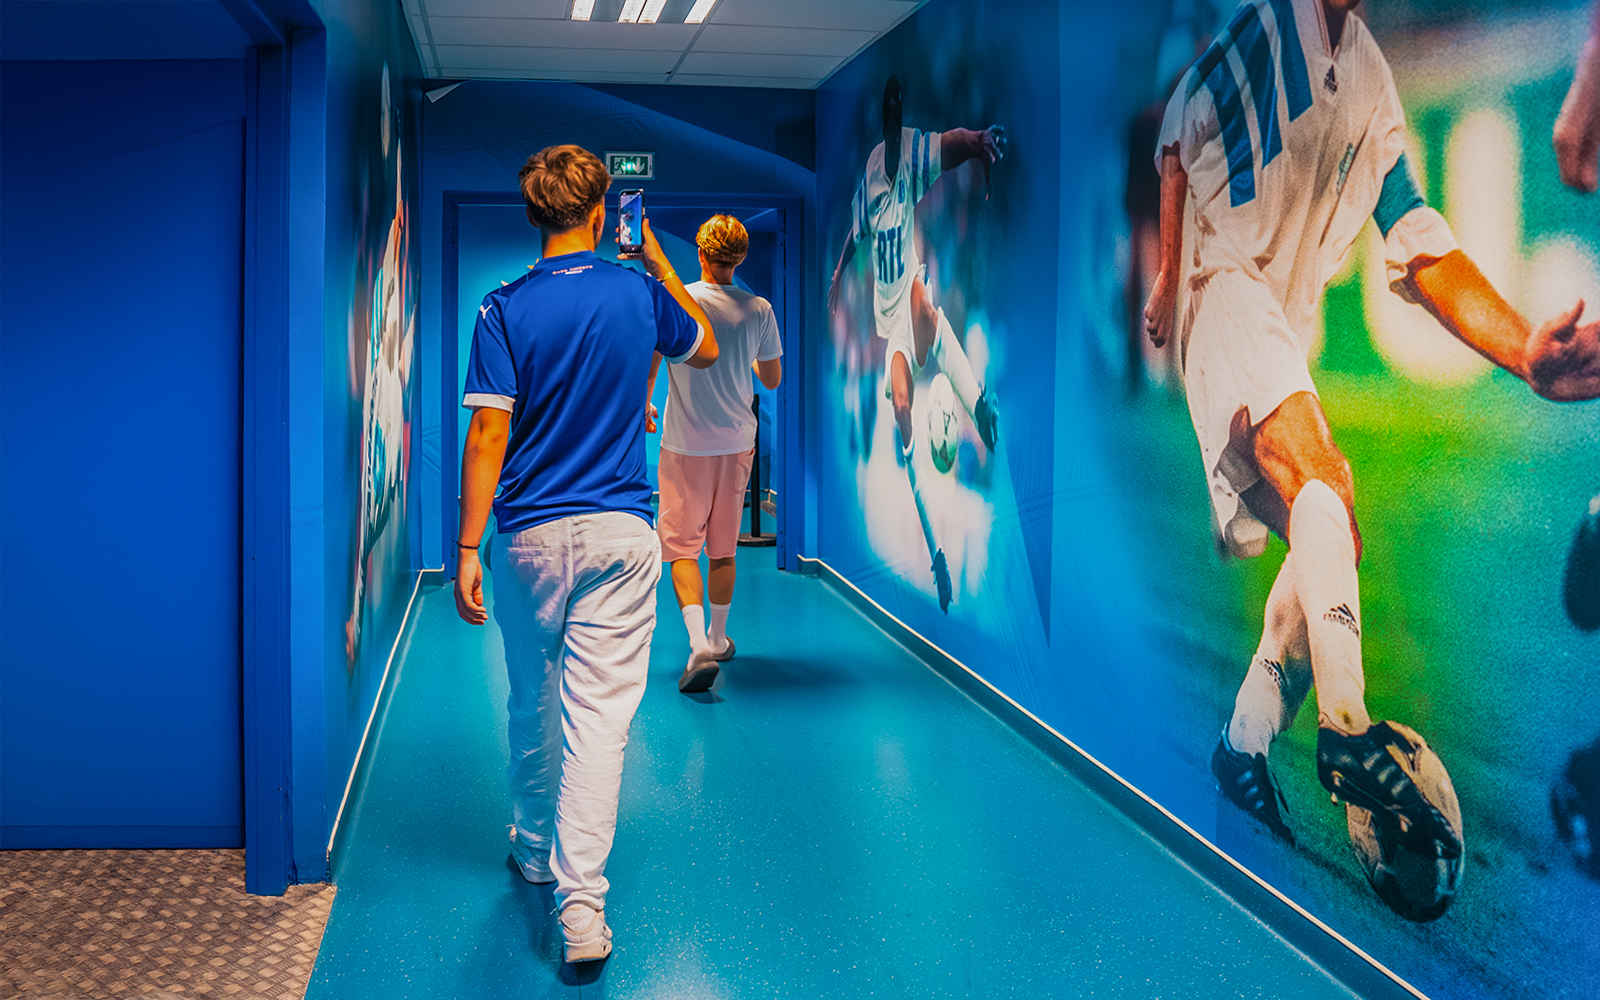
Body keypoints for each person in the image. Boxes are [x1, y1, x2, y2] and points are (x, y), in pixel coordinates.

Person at [1143, 0, 1600, 888]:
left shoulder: (1369, 77)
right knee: (1323, 474)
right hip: (1220, 287)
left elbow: (1418, 242)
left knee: (1332, 533)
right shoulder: (1267, 27)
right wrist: (1167, 275)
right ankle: (1347, 729)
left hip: (1277, 317)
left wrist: (1523, 358)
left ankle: (1244, 742)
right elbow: (1174, 131)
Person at [453, 144, 718, 963]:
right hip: (619, 534)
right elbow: (702, 347)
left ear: (534, 216)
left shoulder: (502, 307)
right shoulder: (639, 290)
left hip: (528, 537)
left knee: (531, 698)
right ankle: (582, 914)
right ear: (603, 214)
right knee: (599, 723)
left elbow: (489, 431)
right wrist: (662, 267)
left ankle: (534, 848)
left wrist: (468, 546)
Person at [827, 75, 1007, 613]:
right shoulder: (870, 178)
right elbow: (854, 232)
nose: (895, 118)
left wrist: (977, 140)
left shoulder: (908, 158)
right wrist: (837, 275)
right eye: (890, 109)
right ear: (883, 120)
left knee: (927, 304)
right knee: (902, 411)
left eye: (898, 108)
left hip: (910, 291)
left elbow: (947, 143)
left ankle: (978, 403)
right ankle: (938, 557)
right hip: (890, 328)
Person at [645, 214, 783, 694]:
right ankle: (720, 638)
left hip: (684, 443)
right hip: (736, 443)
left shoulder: (677, 298)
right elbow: (771, 380)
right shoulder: (759, 308)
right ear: (740, 257)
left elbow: (654, 357)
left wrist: (645, 400)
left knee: (681, 548)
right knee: (724, 547)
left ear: (701, 254)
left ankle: (697, 644)